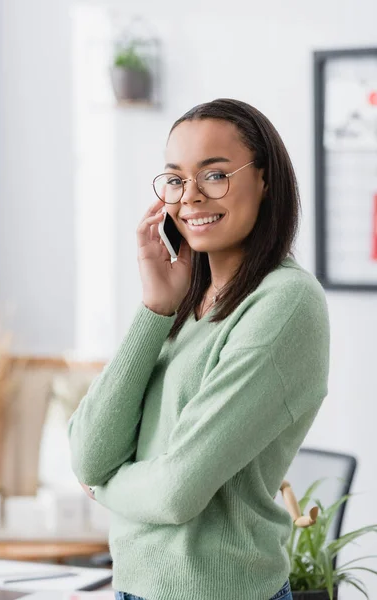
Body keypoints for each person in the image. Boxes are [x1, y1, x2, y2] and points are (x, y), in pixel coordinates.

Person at [68, 98, 330, 600]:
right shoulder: (182, 299)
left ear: (265, 179)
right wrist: (154, 310)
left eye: (214, 175)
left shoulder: (287, 303)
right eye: (174, 178)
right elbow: (89, 451)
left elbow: (175, 491)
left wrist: (103, 488)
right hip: (133, 587)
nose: (190, 197)